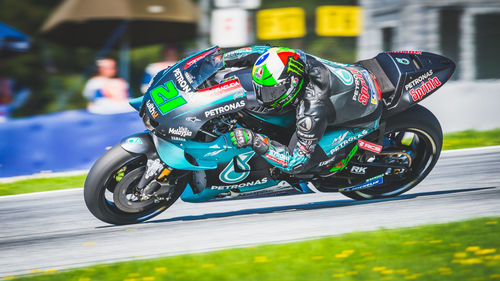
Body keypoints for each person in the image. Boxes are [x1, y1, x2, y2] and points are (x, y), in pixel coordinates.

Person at [227, 46, 382, 174]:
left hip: (364, 117)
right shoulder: (291, 57)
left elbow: (293, 162)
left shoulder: (312, 110)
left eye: (272, 92)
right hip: (356, 78)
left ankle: (330, 167)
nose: (264, 98)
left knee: (301, 170)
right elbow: (257, 51)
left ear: (292, 82)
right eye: (261, 90)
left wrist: (254, 140)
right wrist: (218, 60)